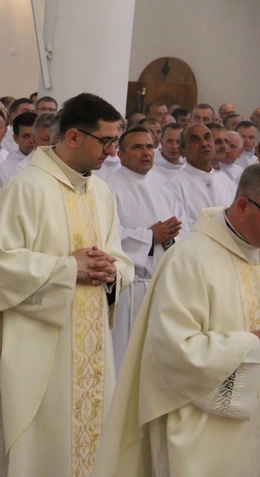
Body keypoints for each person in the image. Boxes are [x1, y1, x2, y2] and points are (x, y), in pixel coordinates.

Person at [0, 93, 134, 476]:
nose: (112, 153)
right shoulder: (26, 188)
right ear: (74, 137)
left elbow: (120, 256)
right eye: (107, 141)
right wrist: (70, 269)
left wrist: (112, 272)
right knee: (35, 444)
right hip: (36, 345)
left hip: (90, 345)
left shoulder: (101, 192)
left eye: (115, 141)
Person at [93, 164, 260, 476]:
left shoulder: (255, 252)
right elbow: (174, 351)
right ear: (242, 205)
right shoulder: (190, 258)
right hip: (201, 431)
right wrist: (251, 347)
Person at [106, 126, 186, 373]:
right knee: (124, 361)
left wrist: (170, 237)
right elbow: (108, 235)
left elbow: (185, 226)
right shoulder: (109, 188)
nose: (145, 152)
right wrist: (150, 237)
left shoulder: (163, 186)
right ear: (120, 155)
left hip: (162, 285)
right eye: (137, 147)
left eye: (150, 147)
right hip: (130, 289)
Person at [166, 123, 237, 228]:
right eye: (195, 140)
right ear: (182, 151)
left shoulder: (228, 182)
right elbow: (179, 228)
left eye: (207, 138)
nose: (204, 144)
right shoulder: (174, 186)